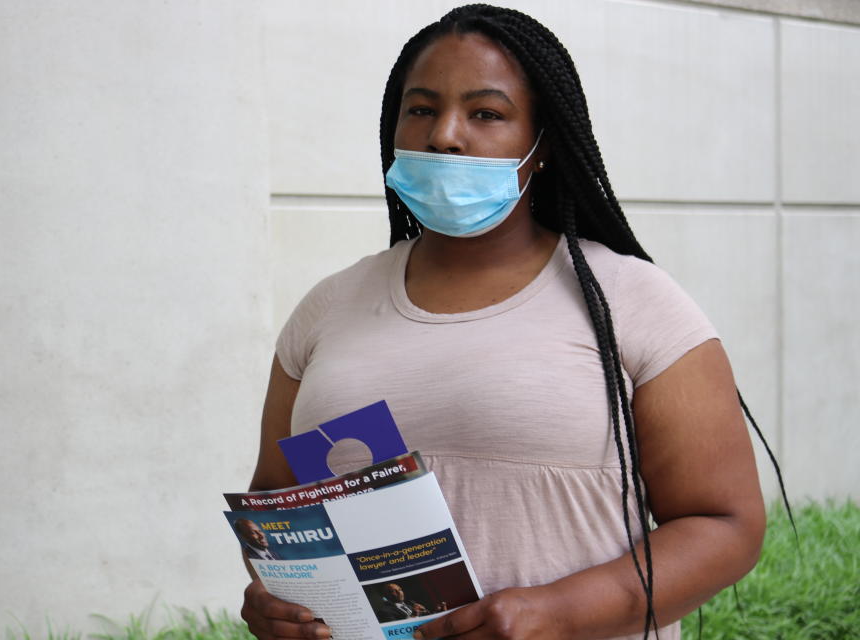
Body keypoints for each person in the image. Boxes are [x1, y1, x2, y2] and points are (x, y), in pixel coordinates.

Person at [240, 5, 767, 640]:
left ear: (543, 145)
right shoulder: (328, 308)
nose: (446, 136)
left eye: (486, 113)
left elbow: (726, 526)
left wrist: (563, 611)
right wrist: (277, 598)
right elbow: (279, 509)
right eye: (422, 109)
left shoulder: (633, 300)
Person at [375, 583, 448, 622]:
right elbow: (394, 630)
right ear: (387, 595)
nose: (399, 593)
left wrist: (437, 612)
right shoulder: (384, 612)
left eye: (400, 590)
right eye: (394, 591)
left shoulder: (410, 605)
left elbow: (425, 619)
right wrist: (413, 615)